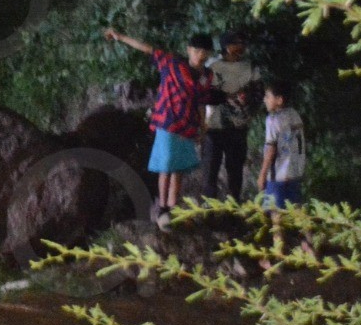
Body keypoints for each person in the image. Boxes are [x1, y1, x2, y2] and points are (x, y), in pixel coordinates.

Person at [103, 27, 213, 227]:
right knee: (166, 165)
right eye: (197, 51)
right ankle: (162, 207)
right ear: (189, 50)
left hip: (188, 125)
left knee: (178, 168)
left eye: (205, 52)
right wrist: (121, 37)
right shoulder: (172, 63)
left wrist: (202, 128)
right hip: (168, 122)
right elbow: (148, 49)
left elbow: (202, 103)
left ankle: (173, 208)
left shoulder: (207, 75)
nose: (201, 55)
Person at [203, 31, 261, 200]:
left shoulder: (250, 67)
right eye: (238, 43)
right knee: (210, 171)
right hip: (212, 126)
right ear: (227, 47)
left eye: (243, 43)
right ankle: (209, 210)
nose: (242, 47)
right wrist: (227, 97)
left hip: (238, 126)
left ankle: (234, 209)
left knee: (235, 171)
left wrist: (247, 98)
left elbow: (259, 93)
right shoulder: (211, 66)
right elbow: (203, 94)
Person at [257, 79, 306, 210]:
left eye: (268, 96)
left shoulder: (273, 120)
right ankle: (308, 231)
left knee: (274, 212)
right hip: (295, 171)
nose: (264, 100)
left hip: (277, 175)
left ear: (279, 100)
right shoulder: (295, 115)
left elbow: (271, 149)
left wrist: (262, 174)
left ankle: (277, 231)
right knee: (297, 209)